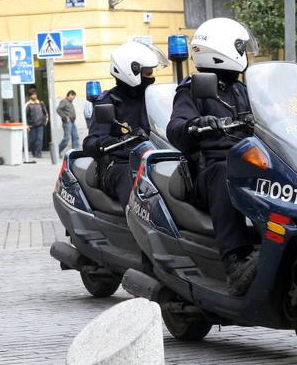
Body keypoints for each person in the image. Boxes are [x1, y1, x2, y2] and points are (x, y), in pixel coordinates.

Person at [166, 18, 258, 296]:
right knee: (224, 172)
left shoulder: (245, 88)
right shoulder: (193, 88)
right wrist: (196, 124)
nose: (245, 53)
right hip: (209, 171)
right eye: (241, 47)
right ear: (223, 50)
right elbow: (176, 128)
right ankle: (234, 261)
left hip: (252, 163)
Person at [83, 41, 168, 209]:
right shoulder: (108, 102)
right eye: (148, 72)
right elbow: (91, 142)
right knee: (129, 176)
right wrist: (106, 142)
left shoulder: (153, 98)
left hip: (153, 160)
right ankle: (138, 229)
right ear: (131, 71)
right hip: (120, 164)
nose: (152, 77)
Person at [25, 92, 48, 158]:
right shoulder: (28, 105)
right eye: (33, 95)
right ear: (30, 96)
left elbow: (45, 113)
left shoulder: (41, 103)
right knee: (32, 140)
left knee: (39, 139)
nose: (34, 96)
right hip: (32, 125)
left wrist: (45, 122)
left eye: (35, 94)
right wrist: (27, 125)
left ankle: (39, 153)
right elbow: (25, 116)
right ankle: (34, 152)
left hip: (40, 124)